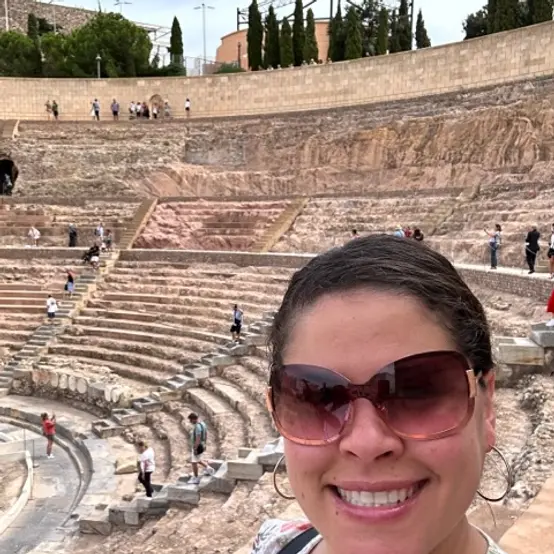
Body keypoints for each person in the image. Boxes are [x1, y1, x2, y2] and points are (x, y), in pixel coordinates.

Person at [252, 234, 509, 554]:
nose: (366, 443)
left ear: (486, 409)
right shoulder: (272, 545)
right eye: (318, 397)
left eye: (417, 392)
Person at [187, 413, 214, 484]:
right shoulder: (203, 423)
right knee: (198, 460)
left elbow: (198, 438)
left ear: (193, 419)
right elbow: (205, 434)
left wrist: (195, 448)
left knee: (193, 462)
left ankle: (196, 478)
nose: (190, 421)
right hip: (202, 445)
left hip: (198, 446)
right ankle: (208, 468)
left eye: (190, 420)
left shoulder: (198, 427)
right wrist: (205, 444)